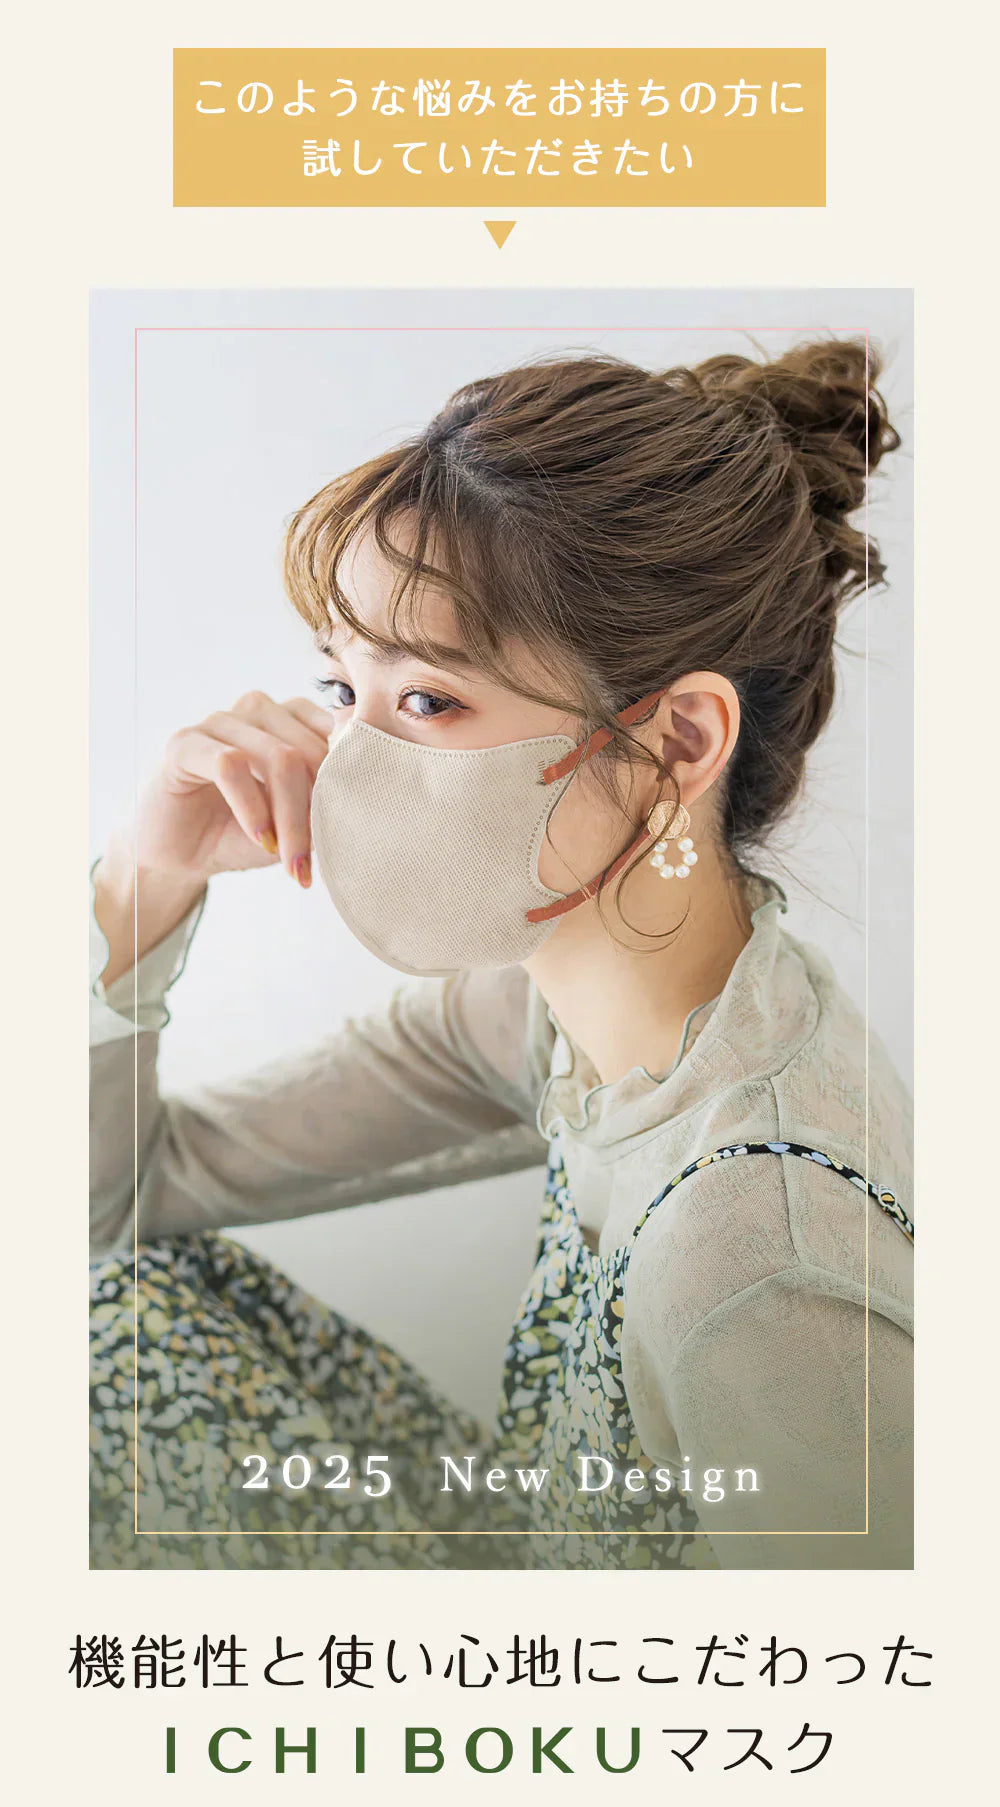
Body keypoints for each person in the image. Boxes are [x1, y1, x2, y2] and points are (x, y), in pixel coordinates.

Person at [89, 337, 913, 1572]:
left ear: (681, 741)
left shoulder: (760, 1265)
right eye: (340, 690)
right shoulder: (550, 1015)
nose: (348, 763)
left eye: (427, 700)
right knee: (101, 1321)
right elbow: (110, 1198)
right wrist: (144, 879)